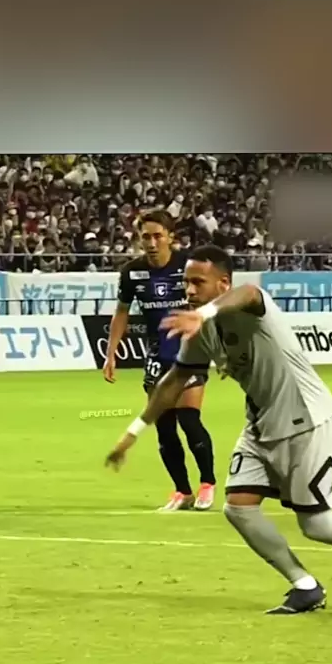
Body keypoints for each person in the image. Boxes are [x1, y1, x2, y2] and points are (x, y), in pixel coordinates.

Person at [106, 243, 332, 615]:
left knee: (317, 525)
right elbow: (174, 381)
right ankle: (304, 585)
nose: (188, 290)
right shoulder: (201, 332)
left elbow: (248, 292)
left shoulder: (252, 306)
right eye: (186, 282)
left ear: (223, 283)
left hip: (306, 420)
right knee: (238, 508)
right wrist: (133, 432)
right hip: (260, 425)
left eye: (198, 282)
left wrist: (202, 312)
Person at [103, 211, 216, 511]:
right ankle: (182, 492)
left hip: (191, 351)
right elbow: (122, 312)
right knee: (164, 427)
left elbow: (211, 304)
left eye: (158, 236)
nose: (152, 243)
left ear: (170, 237)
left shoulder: (188, 265)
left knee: (189, 419)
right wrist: (111, 353)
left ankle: (207, 484)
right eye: (146, 237)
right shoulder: (131, 273)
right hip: (157, 354)